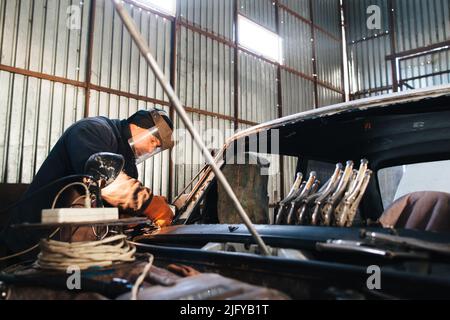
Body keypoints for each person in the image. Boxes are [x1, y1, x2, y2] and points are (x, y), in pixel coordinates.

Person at [1, 108, 175, 254]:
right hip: (34, 241)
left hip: (74, 243)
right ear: (137, 126)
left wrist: (135, 215)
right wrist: (151, 204)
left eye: (157, 148)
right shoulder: (93, 130)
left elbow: (110, 203)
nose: (152, 148)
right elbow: (105, 181)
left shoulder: (127, 163)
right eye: (153, 141)